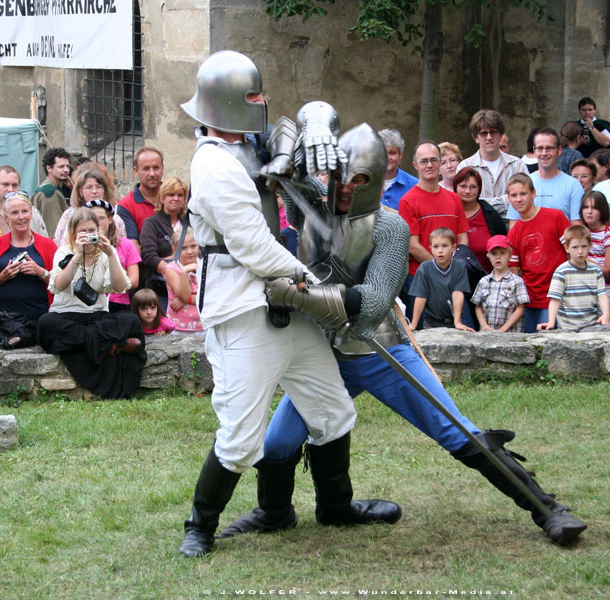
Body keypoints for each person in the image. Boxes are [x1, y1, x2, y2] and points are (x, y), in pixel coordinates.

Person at [220, 122, 587, 547]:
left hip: (379, 350)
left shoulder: (389, 227)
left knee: (456, 430)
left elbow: (374, 301)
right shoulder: (315, 210)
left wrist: (302, 297)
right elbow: (280, 164)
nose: (347, 188)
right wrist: (313, 126)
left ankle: (547, 510)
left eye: (360, 179)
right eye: (342, 176)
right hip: (322, 357)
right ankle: (274, 512)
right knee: (279, 441)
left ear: (376, 180)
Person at [178, 53, 390, 558]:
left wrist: (315, 120)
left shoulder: (249, 145)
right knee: (242, 437)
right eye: (252, 97)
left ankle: (335, 506)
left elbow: (302, 123)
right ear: (229, 101)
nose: (261, 103)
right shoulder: (214, 163)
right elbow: (251, 245)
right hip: (244, 308)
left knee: (333, 411)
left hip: (286, 304)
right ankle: (200, 526)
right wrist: (314, 283)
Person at [36, 208, 146, 399]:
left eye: (91, 230)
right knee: (46, 324)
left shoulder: (104, 255)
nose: (88, 236)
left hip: (97, 317)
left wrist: (111, 254)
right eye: (83, 232)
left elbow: (121, 287)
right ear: (73, 233)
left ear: (99, 230)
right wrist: (77, 256)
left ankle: (92, 342)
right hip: (66, 315)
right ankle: (108, 344)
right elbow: (58, 285)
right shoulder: (64, 252)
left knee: (132, 321)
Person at [399, 141, 469, 317]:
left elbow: (463, 239)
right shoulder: (408, 201)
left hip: (454, 281)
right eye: (424, 161)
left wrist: (451, 271)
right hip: (421, 279)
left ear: (440, 163)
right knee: (424, 336)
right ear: (415, 165)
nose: (429, 165)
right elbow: (412, 245)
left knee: (462, 331)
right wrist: (440, 269)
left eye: (434, 160)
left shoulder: (454, 199)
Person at [0, 192, 57, 346]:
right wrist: (2, 277)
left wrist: (40, 272)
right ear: (6, 217)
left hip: (38, 316)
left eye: (24, 211)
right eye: (14, 213)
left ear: (31, 214)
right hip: (2, 318)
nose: (21, 217)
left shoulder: (48, 245)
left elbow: (60, 283)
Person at [506, 173, 571, 332]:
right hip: (530, 299)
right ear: (509, 199)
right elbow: (514, 271)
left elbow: (572, 252)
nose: (519, 199)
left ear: (533, 193)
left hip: (556, 296)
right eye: (514, 195)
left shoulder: (555, 216)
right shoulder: (514, 233)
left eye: (523, 193)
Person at [505, 128, 584, 226]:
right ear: (534, 150)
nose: (544, 153)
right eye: (540, 148)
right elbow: (514, 225)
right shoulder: (522, 184)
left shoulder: (573, 186)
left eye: (549, 148)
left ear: (559, 150)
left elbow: (577, 227)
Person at [538, 224, 610, 331]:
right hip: (568, 327)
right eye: (575, 247)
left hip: (591, 326)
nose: (580, 251)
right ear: (567, 248)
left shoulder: (596, 270)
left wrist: (606, 314)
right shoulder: (562, 271)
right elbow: (555, 299)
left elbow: (602, 295)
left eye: (584, 246)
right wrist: (551, 322)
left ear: (590, 246)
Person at [456, 110, 527, 217]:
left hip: (513, 225)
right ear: (476, 138)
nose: (489, 137)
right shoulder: (465, 167)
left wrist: (482, 203)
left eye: (493, 132)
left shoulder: (517, 165)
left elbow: (526, 198)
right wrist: (505, 201)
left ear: (501, 135)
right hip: (479, 226)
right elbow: (463, 202)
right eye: (484, 133)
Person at [410, 227, 474, 331]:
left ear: (453, 248)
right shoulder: (425, 267)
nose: (440, 250)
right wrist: (413, 324)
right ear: (430, 248)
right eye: (436, 246)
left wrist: (457, 322)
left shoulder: (459, 266)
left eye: (445, 246)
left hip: (452, 322)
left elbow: (457, 293)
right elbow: (421, 296)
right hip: (431, 322)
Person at [139, 176, 189, 310]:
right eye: (171, 195)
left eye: (180, 195)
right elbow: (149, 256)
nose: (176, 198)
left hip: (189, 285)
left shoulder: (189, 224)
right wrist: (172, 271)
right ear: (162, 197)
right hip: (160, 290)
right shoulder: (151, 223)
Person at [86, 199, 140, 313]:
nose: (97, 223)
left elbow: (134, 281)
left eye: (101, 218)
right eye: (93, 218)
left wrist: (115, 284)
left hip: (117, 303)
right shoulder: (82, 245)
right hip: (90, 301)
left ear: (110, 219)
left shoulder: (126, 245)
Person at [53, 164, 125, 247]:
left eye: (99, 187)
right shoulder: (69, 214)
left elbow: (122, 246)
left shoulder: (114, 217)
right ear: (80, 191)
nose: (94, 191)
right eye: (89, 187)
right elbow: (57, 243)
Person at [472, 235, 530, 332]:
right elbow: (478, 306)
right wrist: (484, 325)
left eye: (502, 253)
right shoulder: (484, 281)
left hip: (510, 335)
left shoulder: (517, 281)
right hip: (487, 334)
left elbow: (521, 309)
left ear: (510, 255)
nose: (498, 257)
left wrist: (504, 329)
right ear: (488, 256)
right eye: (494, 254)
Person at [454, 167, 507, 274]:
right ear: (455, 187)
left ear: (479, 189)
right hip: (456, 281)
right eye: (463, 186)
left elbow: (504, 246)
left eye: (473, 187)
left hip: (489, 280)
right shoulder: (448, 213)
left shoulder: (490, 214)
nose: (467, 191)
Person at [581, 191, 610, 325]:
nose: (589, 212)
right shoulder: (580, 232)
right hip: (585, 290)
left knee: (606, 328)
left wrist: (584, 260)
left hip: (607, 289)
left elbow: (608, 270)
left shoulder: (608, 234)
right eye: (586, 207)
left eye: (594, 208)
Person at [117, 147, 164, 245]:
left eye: (156, 168)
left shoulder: (175, 197)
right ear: (136, 171)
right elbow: (133, 246)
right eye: (146, 169)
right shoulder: (126, 205)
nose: (152, 174)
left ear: (162, 168)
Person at [164, 227, 203, 335]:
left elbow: (211, 295)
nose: (189, 251)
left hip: (204, 324)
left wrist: (187, 300)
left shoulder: (205, 265)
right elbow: (183, 295)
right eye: (184, 248)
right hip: (179, 327)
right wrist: (185, 271)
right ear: (175, 249)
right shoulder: (171, 269)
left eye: (193, 246)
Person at [0, 165, 48, 236]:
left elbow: (44, 241)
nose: (10, 190)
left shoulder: (32, 212)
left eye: (14, 185)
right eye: (5, 185)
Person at [31, 148, 72, 236]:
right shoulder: (49, 192)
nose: (66, 170)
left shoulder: (52, 188)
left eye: (67, 166)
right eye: (61, 166)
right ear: (49, 168)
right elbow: (53, 230)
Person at [378, 129, 418, 211]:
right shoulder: (367, 184)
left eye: (392, 153)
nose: (388, 158)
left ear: (401, 154)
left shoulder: (414, 185)